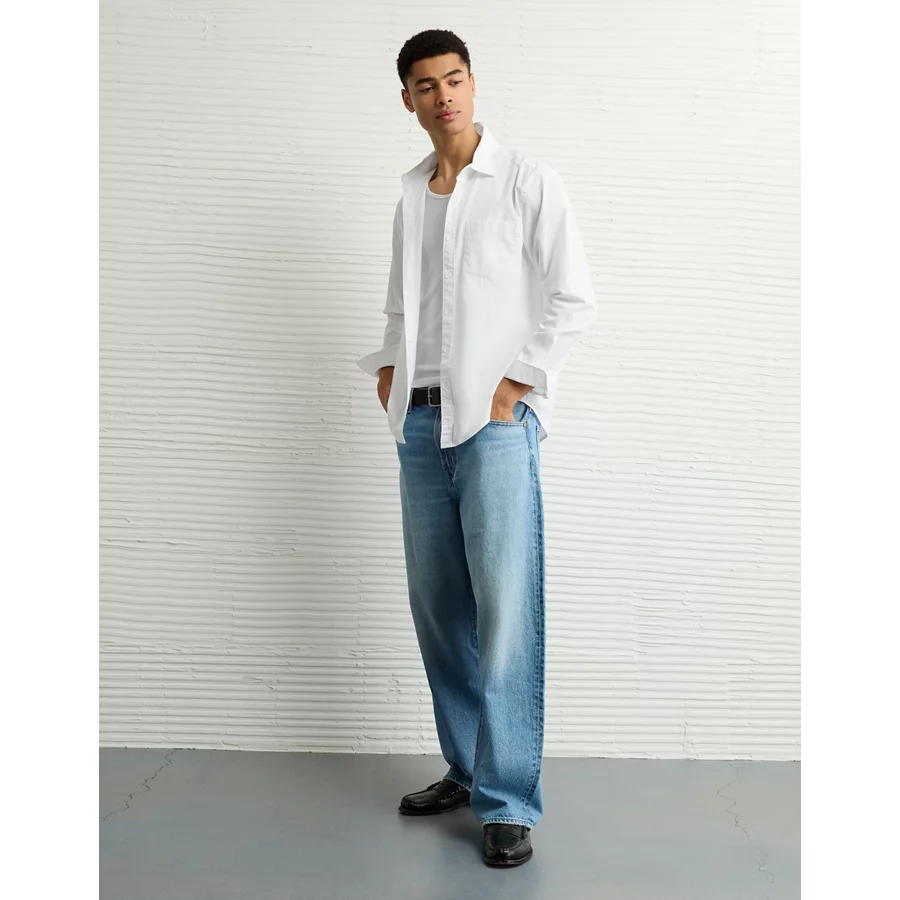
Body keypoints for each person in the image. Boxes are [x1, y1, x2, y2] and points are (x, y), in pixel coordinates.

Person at [357, 29, 597, 868]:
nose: (444, 96)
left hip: (495, 427)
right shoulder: (412, 195)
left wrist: (513, 387)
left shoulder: (527, 180)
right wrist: (390, 372)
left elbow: (573, 297)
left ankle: (507, 801)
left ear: (471, 83)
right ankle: (465, 769)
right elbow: (402, 307)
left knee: (503, 615)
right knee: (438, 610)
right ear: (408, 100)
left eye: (454, 79)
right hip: (419, 427)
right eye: (426, 85)